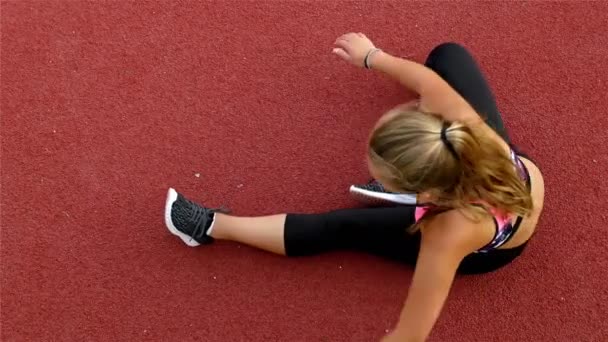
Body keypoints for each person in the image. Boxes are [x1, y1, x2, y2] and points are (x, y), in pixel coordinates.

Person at [164, 33, 545, 342]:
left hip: (486, 244)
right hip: (484, 188)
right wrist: (372, 56)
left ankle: (211, 227)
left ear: (423, 194)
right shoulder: (463, 125)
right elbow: (428, 82)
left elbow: (410, 335)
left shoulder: (445, 233)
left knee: (340, 227)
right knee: (448, 55)